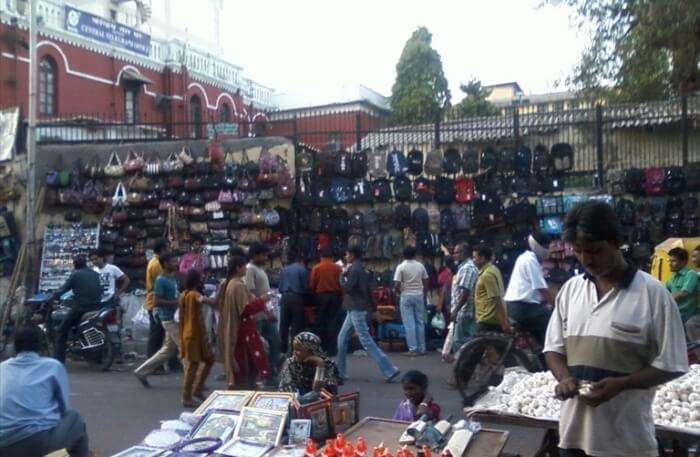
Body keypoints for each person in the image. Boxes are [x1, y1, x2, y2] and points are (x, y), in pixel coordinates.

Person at [544, 201, 688, 457]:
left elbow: (672, 363)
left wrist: (622, 384)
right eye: (578, 251)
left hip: (627, 443)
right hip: (572, 438)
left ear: (615, 241)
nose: (586, 259)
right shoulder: (570, 290)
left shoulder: (653, 294)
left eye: (595, 251)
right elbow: (553, 349)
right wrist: (564, 377)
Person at [0, 326, 90, 457]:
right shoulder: (52, 366)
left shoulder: (2, 368)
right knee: (74, 419)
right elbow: (64, 409)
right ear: (40, 346)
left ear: (14, 346)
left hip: (3, 444)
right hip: (38, 443)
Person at [336, 246, 401, 383]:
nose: (346, 256)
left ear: (352, 255)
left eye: (347, 254)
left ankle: (390, 370)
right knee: (342, 339)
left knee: (366, 341)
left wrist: (341, 276)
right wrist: (374, 308)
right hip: (357, 308)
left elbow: (347, 288)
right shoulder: (363, 269)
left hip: (356, 308)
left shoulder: (353, 269)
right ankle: (340, 373)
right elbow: (369, 290)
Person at [219, 256, 271, 389]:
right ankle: (245, 387)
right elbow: (245, 309)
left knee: (246, 358)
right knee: (247, 359)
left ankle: (245, 385)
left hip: (236, 326)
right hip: (242, 328)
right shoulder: (237, 285)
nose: (246, 269)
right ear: (238, 268)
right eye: (244, 267)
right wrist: (262, 300)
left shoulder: (231, 283)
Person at [134, 253, 181, 386]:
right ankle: (195, 381)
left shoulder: (171, 278)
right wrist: (176, 303)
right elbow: (156, 301)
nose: (175, 264)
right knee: (185, 348)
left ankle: (141, 371)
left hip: (173, 317)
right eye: (173, 261)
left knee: (168, 350)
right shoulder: (161, 280)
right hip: (168, 318)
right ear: (165, 264)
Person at [504, 232, 555, 345]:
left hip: (518, 307)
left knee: (541, 337)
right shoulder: (530, 260)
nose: (548, 251)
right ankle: (551, 356)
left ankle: (540, 358)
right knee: (552, 328)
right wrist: (558, 305)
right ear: (538, 246)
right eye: (546, 247)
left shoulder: (526, 258)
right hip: (522, 308)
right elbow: (543, 289)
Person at [50, 255, 102, 363]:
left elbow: (64, 289)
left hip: (81, 308)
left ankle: (58, 360)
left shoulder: (75, 275)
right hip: (96, 306)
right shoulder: (95, 274)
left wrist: (52, 297)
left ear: (74, 265)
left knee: (61, 330)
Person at [180, 269, 216, 407]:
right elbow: (208, 301)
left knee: (208, 360)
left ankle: (197, 390)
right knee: (193, 365)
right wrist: (217, 298)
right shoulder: (194, 295)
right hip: (194, 335)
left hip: (191, 334)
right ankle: (187, 396)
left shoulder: (184, 294)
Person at [246, 242, 281, 382]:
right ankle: (260, 374)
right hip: (257, 315)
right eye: (264, 255)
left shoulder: (259, 269)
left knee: (275, 341)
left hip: (265, 313)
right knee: (257, 346)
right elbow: (250, 293)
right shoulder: (250, 269)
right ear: (255, 255)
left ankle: (270, 372)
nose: (266, 257)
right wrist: (266, 310)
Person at [393, 245, 429, 357]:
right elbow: (426, 281)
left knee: (409, 323)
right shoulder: (420, 266)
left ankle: (413, 349)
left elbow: (396, 284)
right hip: (419, 295)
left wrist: (399, 292)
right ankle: (422, 348)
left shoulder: (401, 267)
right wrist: (424, 293)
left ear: (403, 255)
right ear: (415, 254)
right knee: (420, 322)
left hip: (406, 295)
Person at [310, 247, 343, 355]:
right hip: (335, 296)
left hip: (321, 297)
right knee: (333, 322)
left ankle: (319, 348)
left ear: (321, 257)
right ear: (332, 257)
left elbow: (312, 285)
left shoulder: (316, 268)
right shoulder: (338, 268)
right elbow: (342, 284)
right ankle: (332, 349)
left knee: (319, 323)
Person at [472, 245, 512, 334]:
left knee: (479, 346)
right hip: (490, 319)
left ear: (482, 258)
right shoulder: (493, 269)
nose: (473, 260)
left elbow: (496, 299)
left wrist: (504, 323)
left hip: (487, 321)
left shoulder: (487, 275)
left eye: (475, 257)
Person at [449, 243, 479, 352]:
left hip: (465, 311)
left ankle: (465, 365)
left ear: (463, 253)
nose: (454, 255)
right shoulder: (464, 267)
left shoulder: (468, 268)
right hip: (463, 311)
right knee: (466, 340)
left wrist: (456, 311)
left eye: (456, 252)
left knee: (459, 341)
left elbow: (465, 292)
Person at [278, 256, 311, 355]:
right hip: (297, 298)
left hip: (284, 298)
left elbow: (280, 287)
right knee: (296, 326)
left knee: (283, 325)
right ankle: (293, 350)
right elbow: (305, 287)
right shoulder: (303, 270)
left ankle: (281, 350)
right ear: (302, 262)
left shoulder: (284, 270)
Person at [666, 247, 699, 341]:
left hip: (687, 313)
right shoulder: (672, 277)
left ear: (683, 261)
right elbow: (663, 290)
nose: (670, 263)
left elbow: (684, 293)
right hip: (676, 313)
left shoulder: (691, 274)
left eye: (673, 261)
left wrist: (666, 298)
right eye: (669, 260)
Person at [145, 239, 168, 360]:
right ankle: (152, 362)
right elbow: (160, 284)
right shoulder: (157, 263)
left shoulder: (155, 261)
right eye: (167, 248)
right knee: (157, 334)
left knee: (160, 333)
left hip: (156, 301)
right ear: (163, 249)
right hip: (157, 302)